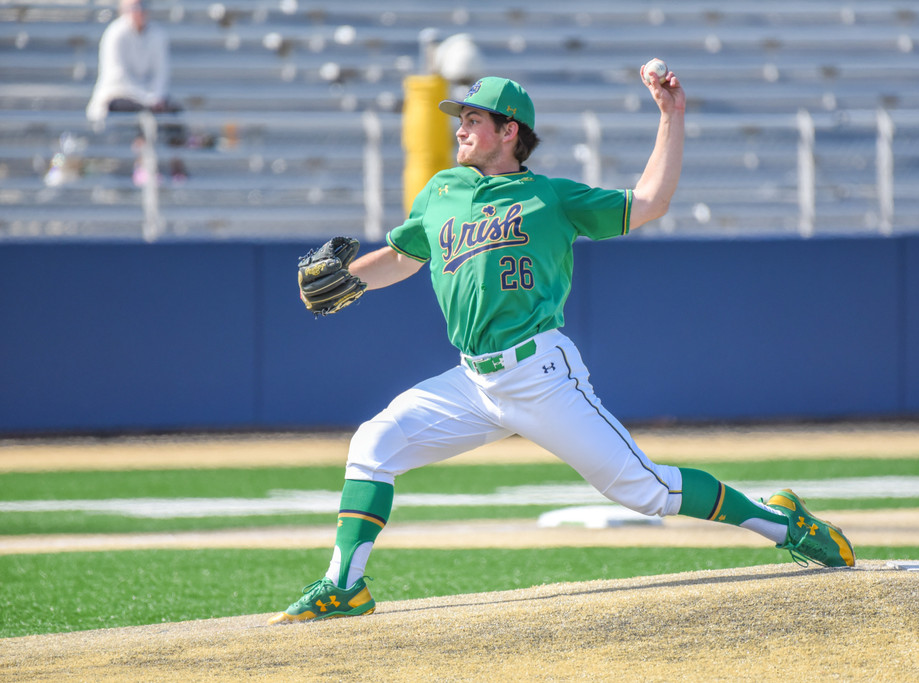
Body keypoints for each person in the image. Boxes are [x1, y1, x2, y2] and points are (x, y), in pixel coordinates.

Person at [268, 69, 855, 625]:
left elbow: (648, 202)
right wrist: (354, 279)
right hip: (473, 381)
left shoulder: (551, 197)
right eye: (461, 117)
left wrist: (671, 116)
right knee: (375, 442)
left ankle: (784, 524)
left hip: (540, 375)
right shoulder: (442, 190)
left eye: (475, 119)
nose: (461, 128)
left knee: (648, 490)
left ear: (510, 131)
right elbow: (402, 256)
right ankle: (346, 585)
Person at [86, 0, 178, 124]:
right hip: (118, 94)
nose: (139, 10)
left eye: (143, 5)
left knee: (174, 112)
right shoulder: (115, 34)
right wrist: (147, 99)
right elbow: (119, 76)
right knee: (136, 112)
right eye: (134, 7)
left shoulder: (157, 34)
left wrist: (157, 97)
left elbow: (161, 72)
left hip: (149, 98)